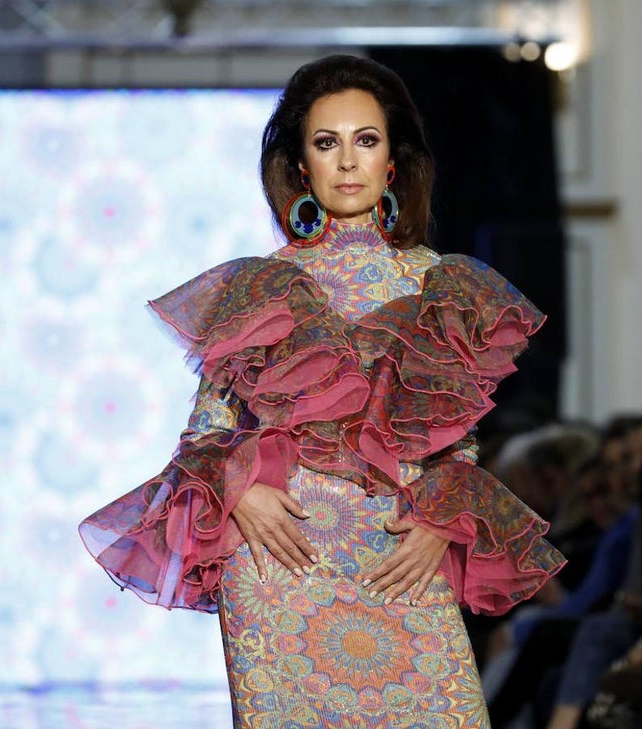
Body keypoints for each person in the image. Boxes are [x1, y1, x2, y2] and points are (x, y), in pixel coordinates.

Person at [78, 54, 565, 727]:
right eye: (326, 143)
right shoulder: (261, 286)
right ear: (301, 165)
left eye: (365, 140)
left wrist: (439, 520)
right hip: (281, 558)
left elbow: (459, 439)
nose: (346, 161)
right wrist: (240, 488)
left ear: (392, 159)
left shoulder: (441, 283)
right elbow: (206, 432)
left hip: (400, 554)